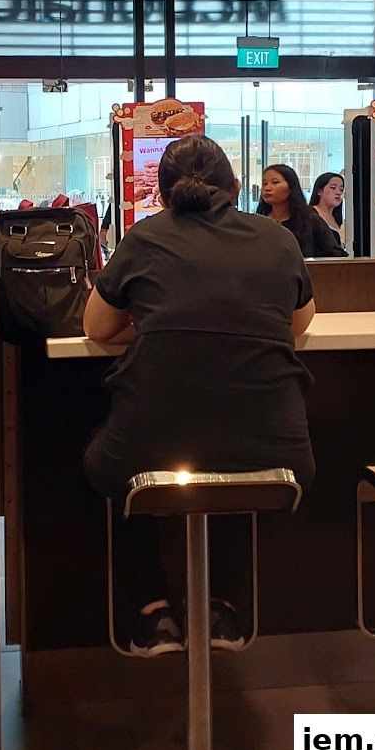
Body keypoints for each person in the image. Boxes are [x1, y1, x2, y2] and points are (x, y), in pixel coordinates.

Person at [82, 135, 316, 656]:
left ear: (161, 195)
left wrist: (154, 321)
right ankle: (221, 607)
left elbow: (95, 326)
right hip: (278, 453)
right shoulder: (277, 240)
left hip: (147, 451)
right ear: (235, 188)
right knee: (233, 459)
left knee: (115, 464)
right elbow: (299, 323)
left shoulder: (144, 239)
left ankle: (154, 610)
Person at [257, 164, 346, 258]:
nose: (267, 188)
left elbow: (336, 255)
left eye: (275, 182)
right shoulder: (258, 222)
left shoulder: (310, 221)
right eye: (264, 183)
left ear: (291, 187)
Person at [309, 172, 345, 238]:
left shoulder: (338, 219)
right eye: (333, 188)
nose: (338, 193)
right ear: (319, 191)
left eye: (341, 190)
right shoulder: (310, 215)